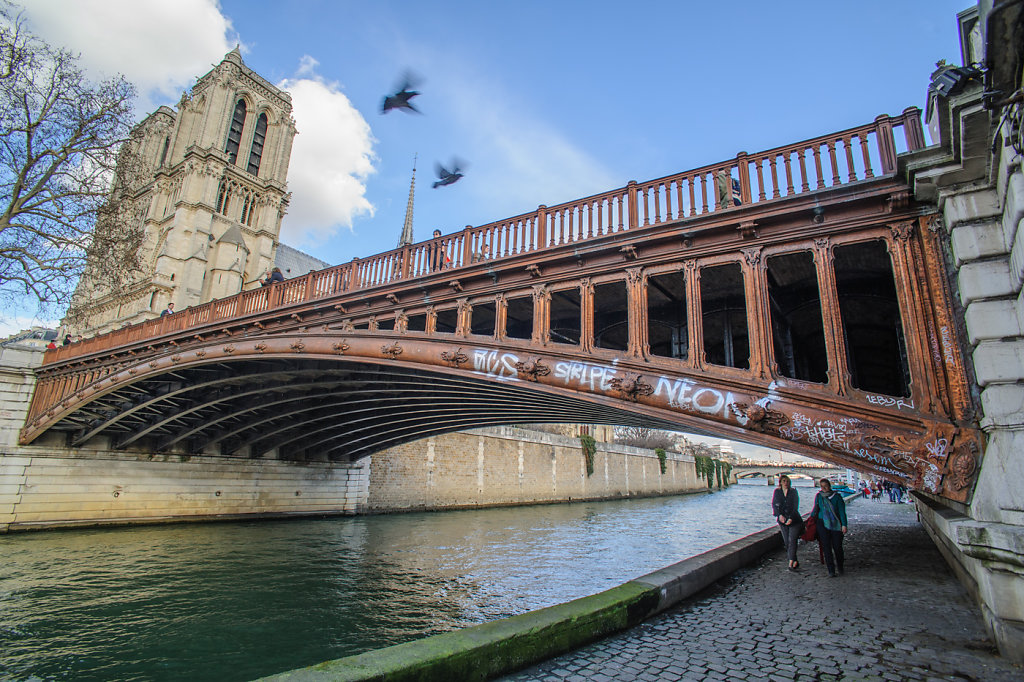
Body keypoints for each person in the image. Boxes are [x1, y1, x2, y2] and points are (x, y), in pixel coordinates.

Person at [810, 478, 848, 577]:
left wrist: (844, 525)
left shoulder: (837, 498)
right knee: (826, 546)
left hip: (836, 524)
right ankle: (831, 570)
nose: (823, 488)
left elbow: (842, 512)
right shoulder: (819, 496)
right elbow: (815, 509)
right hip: (822, 523)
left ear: (829, 486)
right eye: (821, 486)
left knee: (837, 546)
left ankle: (840, 566)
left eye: (825, 486)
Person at [772, 474, 802, 571]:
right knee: (787, 542)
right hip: (782, 521)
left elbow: (795, 506)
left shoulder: (793, 492)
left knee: (792, 540)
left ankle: (790, 563)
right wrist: (779, 515)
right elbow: (774, 505)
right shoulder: (777, 492)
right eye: (784, 481)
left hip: (795, 520)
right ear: (780, 482)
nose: (786, 483)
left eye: (787, 481)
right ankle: (794, 560)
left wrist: (791, 518)